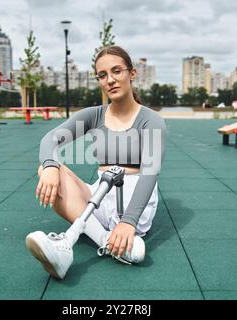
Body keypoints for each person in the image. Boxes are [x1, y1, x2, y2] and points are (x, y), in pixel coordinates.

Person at [26, 45, 166, 279]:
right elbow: (50, 140)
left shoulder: (151, 120)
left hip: (133, 200)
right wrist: (50, 166)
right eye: (102, 75)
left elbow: (150, 174)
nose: (110, 80)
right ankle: (105, 242)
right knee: (47, 168)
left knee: (123, 217)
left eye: (116, 71)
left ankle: (110, 237)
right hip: (100, 195)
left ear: (132, 74)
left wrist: (128, 222)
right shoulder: (94, 115)